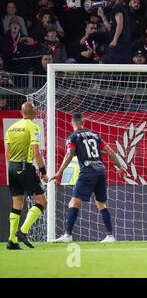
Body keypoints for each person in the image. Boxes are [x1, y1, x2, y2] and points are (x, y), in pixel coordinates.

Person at [50, 113, 127, 243]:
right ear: (83, 123)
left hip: (87, 171)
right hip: (101, 171)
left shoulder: (73, 137)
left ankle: (67, 235)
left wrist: (59, 171)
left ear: (72, 123)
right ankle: (110, 236)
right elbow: (110, 151)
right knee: (101, 204)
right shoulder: (95, 136)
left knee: (74, 202)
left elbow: (70, 153)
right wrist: (119, 167)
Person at [5, 102, 48, 250]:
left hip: (11, 167)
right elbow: (36, 152)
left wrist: (12, 169)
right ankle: (23, 232)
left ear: (21, 112)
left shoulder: (11, 128)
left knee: (17, 203)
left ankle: (11, 241)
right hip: (24, 166)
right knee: (42, 201)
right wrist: (43, 172)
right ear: (34, 112)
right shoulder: (32, 126)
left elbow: (7, 154)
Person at [98, 0, 131, 64]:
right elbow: (110, 28)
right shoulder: (113, 10)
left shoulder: (118, 7)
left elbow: (120, 24)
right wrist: (102, 16)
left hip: (120, 43)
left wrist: (115, 40)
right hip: (118, 43)